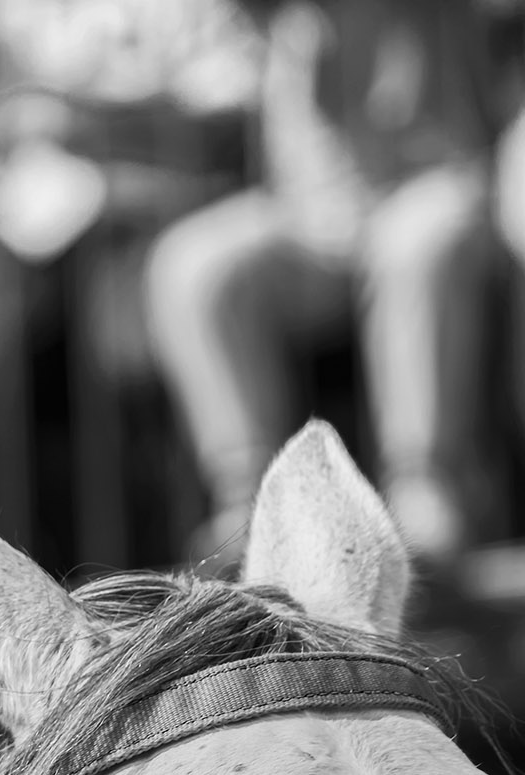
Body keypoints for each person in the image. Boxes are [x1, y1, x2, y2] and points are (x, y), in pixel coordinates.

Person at [144, 0, 504, 565]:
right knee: (192, 263)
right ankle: (248, 503)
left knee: (418, 242)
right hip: (307, 213)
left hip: (429, 181)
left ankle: (424, 485)